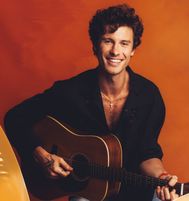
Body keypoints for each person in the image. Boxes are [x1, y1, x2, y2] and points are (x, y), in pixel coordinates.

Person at [4, 4, 179, 201]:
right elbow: (14, 118)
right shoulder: (70, 92)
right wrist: (43, 157)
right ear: (95, 46)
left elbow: (147, 152)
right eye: (108, 41)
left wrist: (162, 177)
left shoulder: (149, 96)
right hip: (87, 194)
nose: (115, 51)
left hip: (135, 192)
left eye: (124, 43)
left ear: (133, 50)